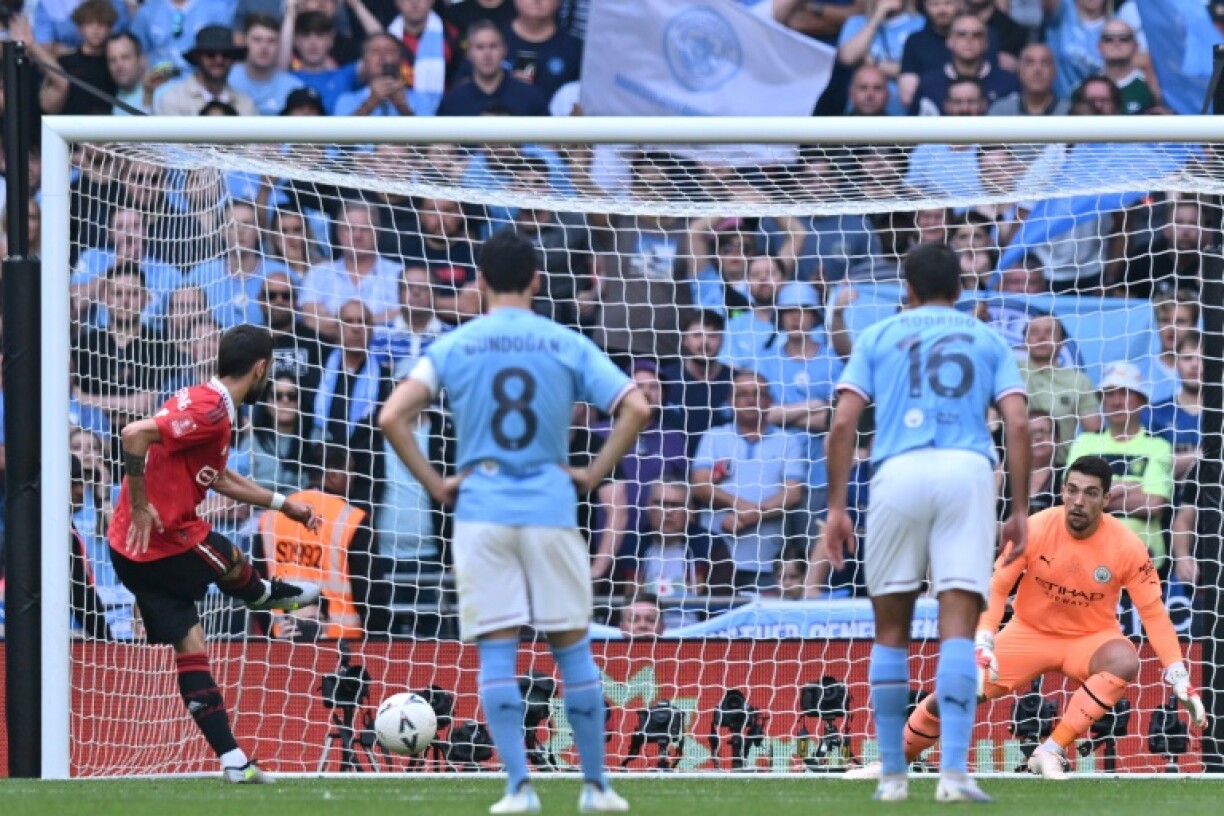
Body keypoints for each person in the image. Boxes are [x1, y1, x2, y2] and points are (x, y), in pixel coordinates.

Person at [379, 229, 647, 812]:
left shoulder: (455, 345)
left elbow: (392, 415)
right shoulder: (565, 341)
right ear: (537, 281)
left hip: (483, 510)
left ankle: (519, 788)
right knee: (572, 650)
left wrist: (436, 484)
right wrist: (594, 471)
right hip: (550, 507)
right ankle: (596, 787)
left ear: (479, 281)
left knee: (498, 652)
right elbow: (636, 406)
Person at [824, 241, 1030, 802]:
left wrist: (837, 507)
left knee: (891, 630)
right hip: (967, 471)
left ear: (907, 290)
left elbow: (842, 425)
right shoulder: (987, 338)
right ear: (960, 290)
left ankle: (893, 775)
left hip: (898, 471)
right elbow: (1017, 422)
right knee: (957, 628)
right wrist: (1017, 509)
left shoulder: (878, 335)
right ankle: (954, 774)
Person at [852, 456, 1206, 779]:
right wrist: (983, 641)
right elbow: (996, 587)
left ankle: (1050, 750)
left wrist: (1178, 674)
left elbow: (1153, 613)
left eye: (1090, 493)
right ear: (1062, 491)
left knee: (1124, 659)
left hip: (1090, 638)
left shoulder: (1128, 545)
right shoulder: (1032, 529)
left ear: (1106, 499)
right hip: (1029, 633)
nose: (1078, 501)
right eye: (1072, 490)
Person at [108, 324, 323, 782]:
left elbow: (219, 477)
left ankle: (233, 760)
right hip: (162, 542)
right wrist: (142, 502)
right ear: (260, 369)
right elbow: (133, 433)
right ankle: (263, 595)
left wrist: (284, 504)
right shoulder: (209, 413)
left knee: (192, 648)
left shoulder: (202, 399)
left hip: (129, 548)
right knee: (228, 556)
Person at [1066, 361, 1175, 567]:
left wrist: (1095, 494)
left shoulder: (1159, 446)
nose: (1116, 401)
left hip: (1144, 557)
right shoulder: (1084, 442)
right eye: (1109, 394)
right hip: (1086, 554)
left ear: (1141, 400)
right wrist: (1128, 488)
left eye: (1124, 393)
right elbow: (1070, 498)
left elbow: (1154, 504)